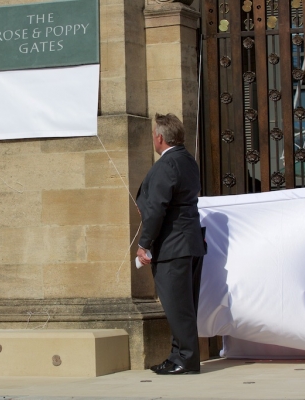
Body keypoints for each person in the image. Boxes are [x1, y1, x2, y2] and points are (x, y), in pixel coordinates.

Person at [136, 113, 206, 375]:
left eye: (154, 134)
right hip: (189, 243)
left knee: (178, 307)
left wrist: (145, 243)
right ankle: (177, 355)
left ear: (160, 137)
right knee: (182, 305)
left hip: (173, 245)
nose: (153, 138)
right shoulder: (187, 159)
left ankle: (186, 359)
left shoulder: (168, 164)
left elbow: (157, 208)